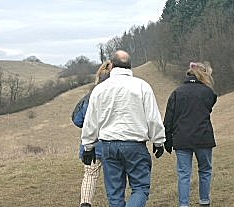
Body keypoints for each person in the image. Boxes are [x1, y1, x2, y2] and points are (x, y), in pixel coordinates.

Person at [81, 50, 165, 207]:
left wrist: (88, 146)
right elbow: (153, 118)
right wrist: (159, 141)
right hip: (135, 144)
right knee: (140, 188)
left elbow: (91, 121)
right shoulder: (142, 86)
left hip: (108, 145)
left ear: (111, 66)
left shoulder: (99, 89)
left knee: (114, 193)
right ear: (130, 66)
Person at [163, 61, 217, 207]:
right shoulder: (208, 92)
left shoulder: (177, 92)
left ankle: (184, 204)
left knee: (184, 174)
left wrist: (167, 138)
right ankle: (204, 201)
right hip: (203, 137)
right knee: (205, 170)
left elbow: (169, 118)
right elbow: (209, 107)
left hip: (181, 138)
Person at [75, 60, 112, 207]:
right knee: (113, 178)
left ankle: (85, 203)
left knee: (90, 176)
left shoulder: (90, 96)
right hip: (112, 143)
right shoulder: (119, 93)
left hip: (92, 144)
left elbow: (77, 119)